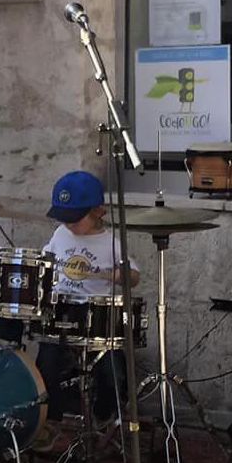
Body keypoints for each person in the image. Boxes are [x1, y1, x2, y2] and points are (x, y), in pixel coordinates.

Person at [35, 170, 140, 420]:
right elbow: (45, 260)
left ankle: (106, 418)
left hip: (95, 318)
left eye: (75, 218)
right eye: (64, 218)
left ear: (98, 212)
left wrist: (117, 275)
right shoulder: (61, 234)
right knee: (46, 366)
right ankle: (50, 420)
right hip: (61, 310)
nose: (69, 224)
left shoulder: (110, 242)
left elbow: (133, 276)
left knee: (110, 370)